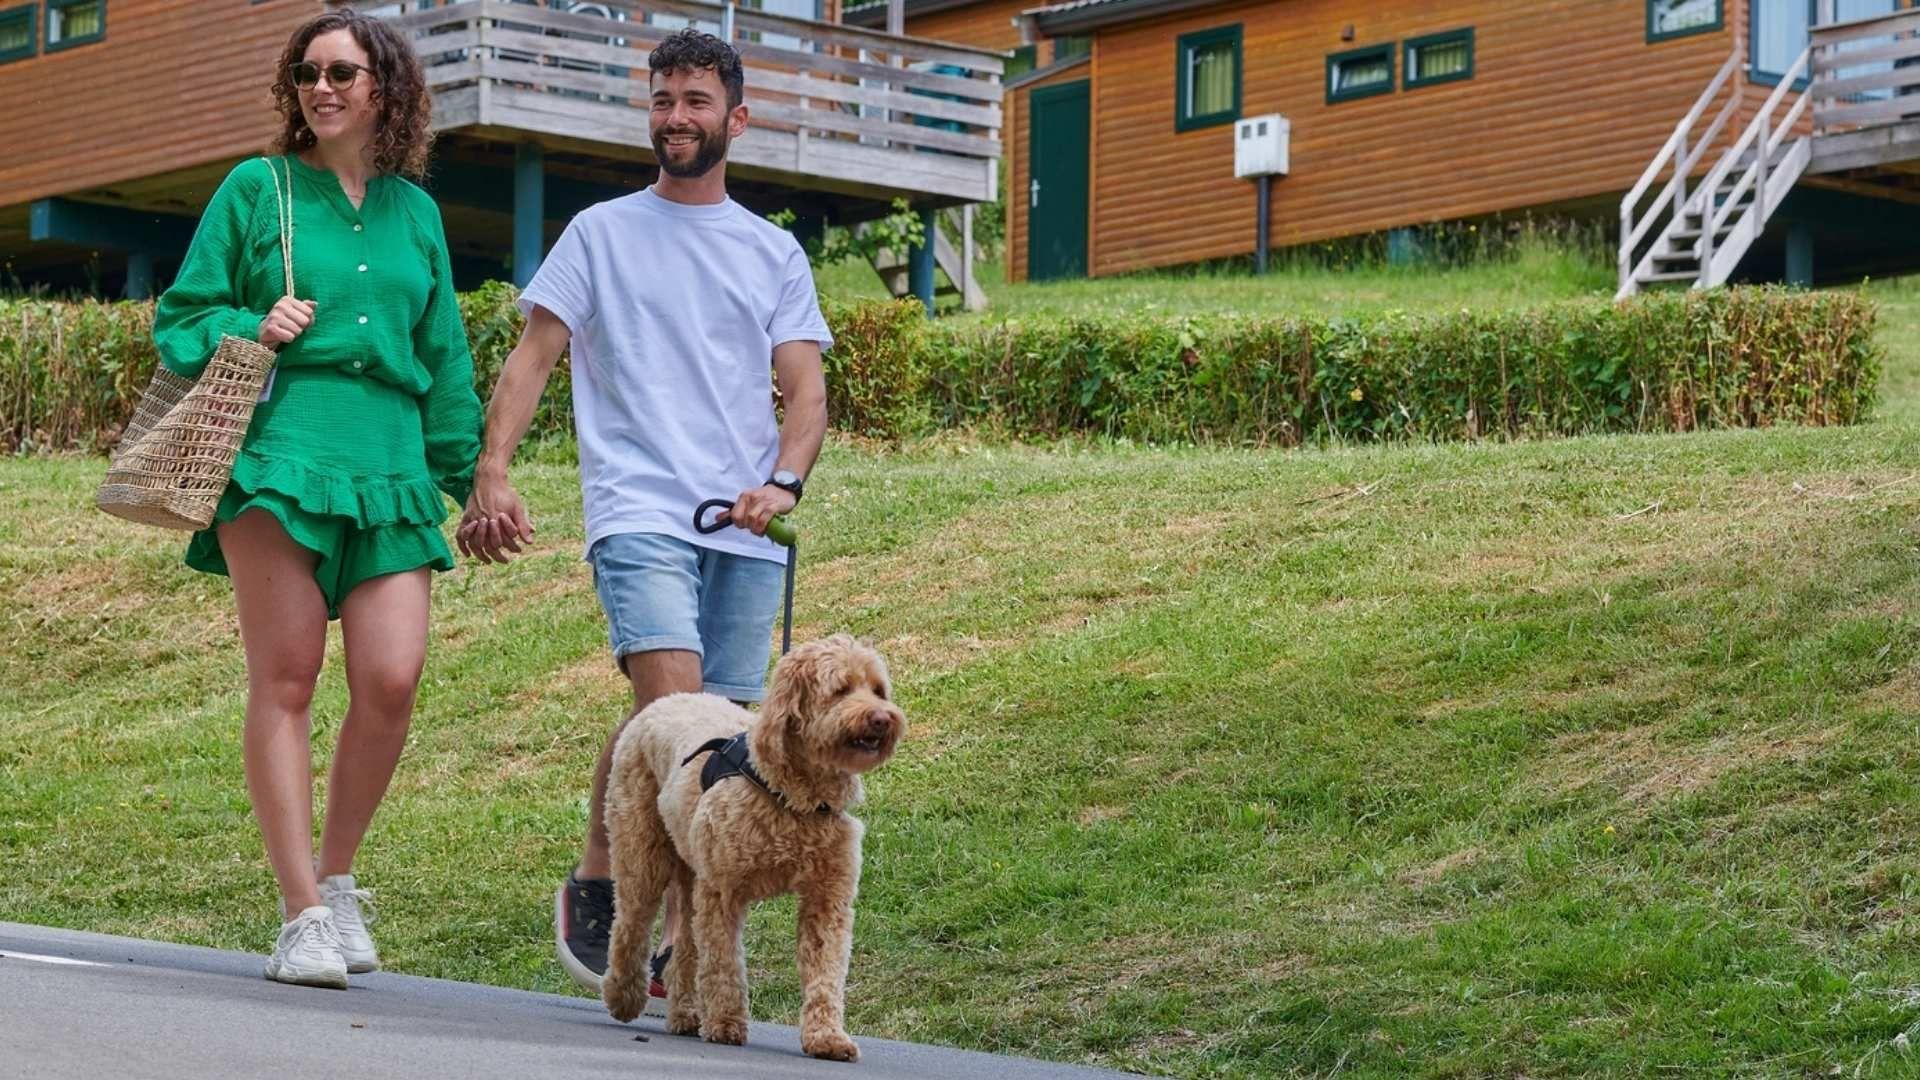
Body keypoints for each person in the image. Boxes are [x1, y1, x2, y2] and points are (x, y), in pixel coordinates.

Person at [456, 28, 830, 999]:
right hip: (638, 509)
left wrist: (782, 482)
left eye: (696, 100)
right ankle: (626, 898)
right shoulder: (601, 233)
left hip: (743, 526)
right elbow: (534, 356)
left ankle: (646, 913)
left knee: (725, 738)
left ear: (734, 118)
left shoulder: (770, 250)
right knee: (679, 716)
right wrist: (492, 470)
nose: (676, 116)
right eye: (663, 99)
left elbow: (808, 392)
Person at [151, 9, 481, 989]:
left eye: (341, 71)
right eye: (306, 73)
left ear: (386, 85)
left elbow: (445, 358)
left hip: (388, 464)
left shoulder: (416, 213)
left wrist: (454, 478)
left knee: (391, 679)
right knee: (286, 682)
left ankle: (337, 881)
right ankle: (300, 914)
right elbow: (182, 315)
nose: (321, 87)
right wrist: (254, 319)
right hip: (279, 452)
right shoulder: (258, 190)